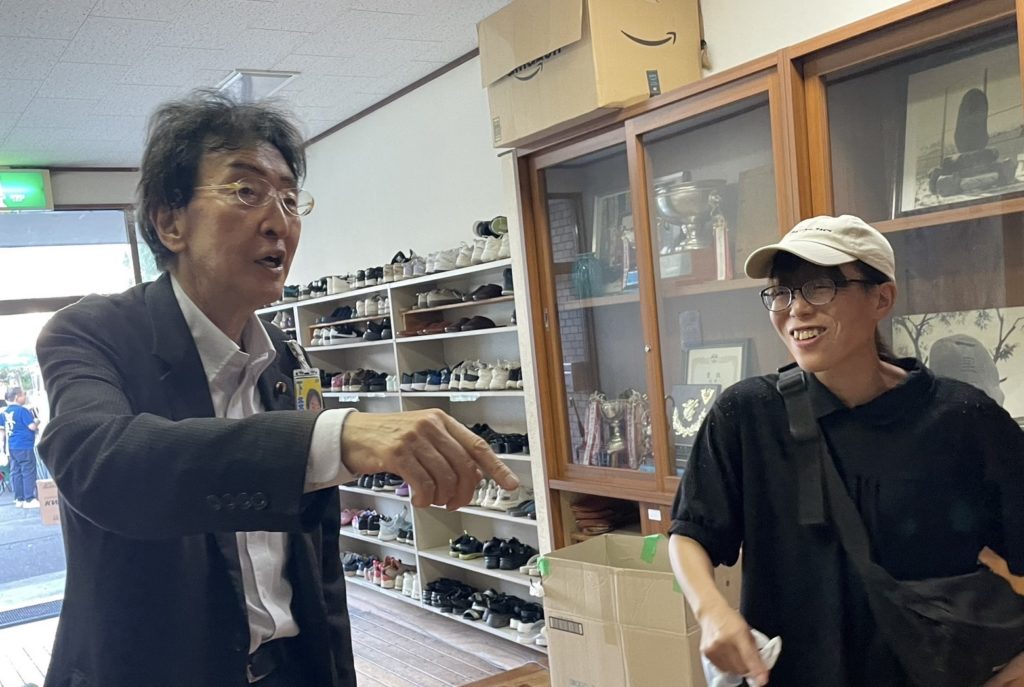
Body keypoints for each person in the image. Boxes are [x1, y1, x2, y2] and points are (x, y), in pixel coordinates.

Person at [35, 90, 518, 687]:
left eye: (290, 200)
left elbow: (315, 562)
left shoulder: (284, 360)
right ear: (170, 221)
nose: (279, 222)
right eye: (246, 191)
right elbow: (100, 464)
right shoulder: (91, 333)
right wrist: (331, 437)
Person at [668, 215, 1024, 687]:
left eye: (820, 287)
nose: (796, 309)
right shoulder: (748, 414)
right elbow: (690, 532)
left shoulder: (962, 419)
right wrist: (711, 612)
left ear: (882, 298)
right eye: (781, 292)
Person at [3, 387, 39, 508]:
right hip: (24, 445)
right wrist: (37, 421)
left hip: (12, 446)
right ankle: (29, 499)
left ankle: (19, 499)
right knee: (28, 471)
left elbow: (2, 432)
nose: (25, 396)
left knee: (16, 472)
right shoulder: (22, 411)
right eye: (23, 394)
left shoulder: (4, 412)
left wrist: (2, 449)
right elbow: (32, 427)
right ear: (17, 397)